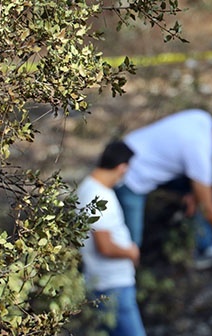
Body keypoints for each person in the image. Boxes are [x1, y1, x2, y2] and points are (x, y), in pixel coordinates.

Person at [115, 109, 212, 269]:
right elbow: (208, 208)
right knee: (130, 243)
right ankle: (120, 280)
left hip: (131, 150)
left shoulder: (202, 118)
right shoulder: (199, 150)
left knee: (199, 193)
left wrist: (191, 193)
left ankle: (204, 246)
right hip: (130, 175)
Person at [77, 141, 146, 336]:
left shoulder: (86, 187)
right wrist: (131, 251)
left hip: (102, 283)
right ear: (122, 167)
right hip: (113, 285)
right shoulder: (99, 196)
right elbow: (105, 246)